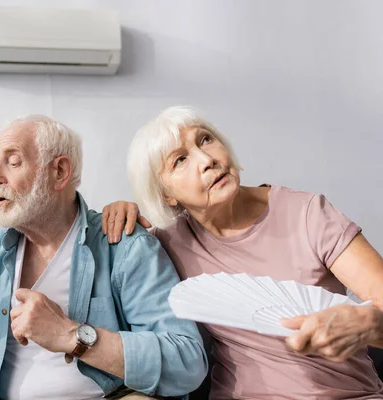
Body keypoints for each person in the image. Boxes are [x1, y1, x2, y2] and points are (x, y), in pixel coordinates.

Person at [0, 114, 208, 400]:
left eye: (12, 162)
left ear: (59, 171)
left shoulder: (122, 245)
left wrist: (71, 335)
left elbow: (187, 362)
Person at [102, 106, 383, 399]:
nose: (207, 160)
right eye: (181, 160)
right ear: (166, 195)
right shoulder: (168, 244)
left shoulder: (308, 214)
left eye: (206, 139)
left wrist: (367, 324)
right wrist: (119, 213)